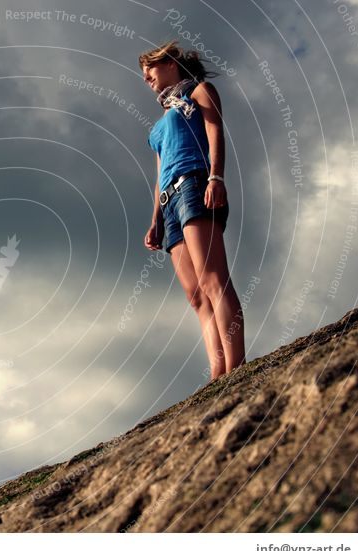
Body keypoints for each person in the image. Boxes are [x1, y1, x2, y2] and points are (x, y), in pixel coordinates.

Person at [140, 40, 246, 380]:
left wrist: (217, 176)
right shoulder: (157, 127)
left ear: (170, 63)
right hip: (169, 201)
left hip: (194, 183)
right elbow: (159, 175)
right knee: (196, 295)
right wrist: (155, 219)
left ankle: (236, 367)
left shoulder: (199, 92)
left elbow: (215, 132)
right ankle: (217, 372)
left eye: (150, 70)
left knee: (213, 279)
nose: (147, 79)